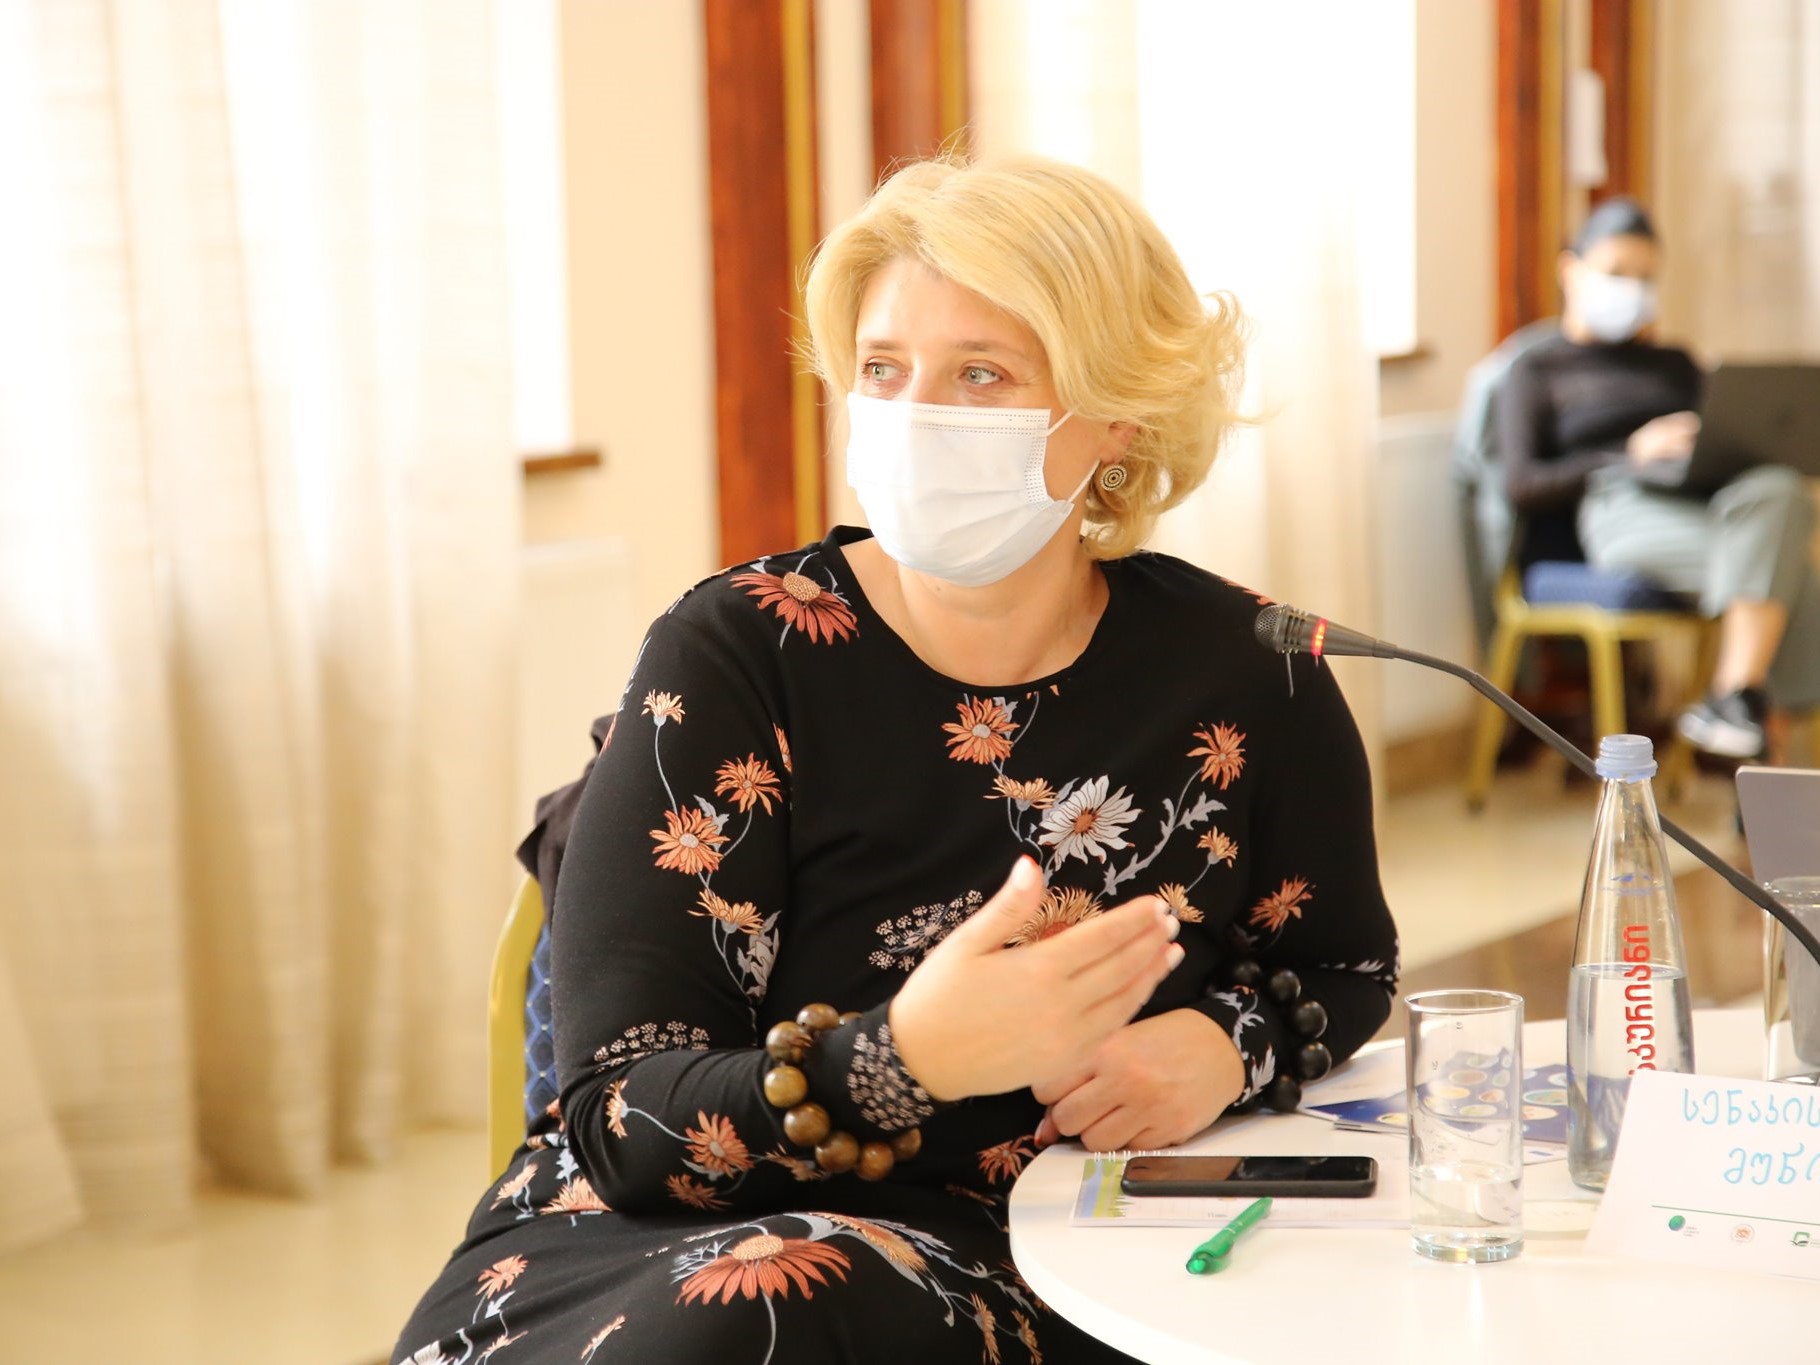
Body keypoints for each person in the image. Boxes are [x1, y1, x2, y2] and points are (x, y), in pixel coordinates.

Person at [392, 155, 1398, 1365]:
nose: (917, 414)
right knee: (771, 1304)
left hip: (1044, 1254)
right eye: (882, 370)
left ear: (1116, 414)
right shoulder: (736, 655)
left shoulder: (1248, 670)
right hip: (659, 1247)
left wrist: (1224, 1045)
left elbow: (1340, 965)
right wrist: (899, 1060)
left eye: (981, 373)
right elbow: (620, 1120)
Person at [1496, 196, 1820, 760]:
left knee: (1781, 488)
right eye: (1617, 271)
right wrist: (1629, 453)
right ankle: (1761, 759)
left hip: (1706, 503)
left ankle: (1733, 700)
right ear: (1570, 270)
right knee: (1791, 573)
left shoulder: (1676, 363)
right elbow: (1522, 484)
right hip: (1620, 510)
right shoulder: (1535, 370)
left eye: (1645, 277)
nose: (1632, 288)